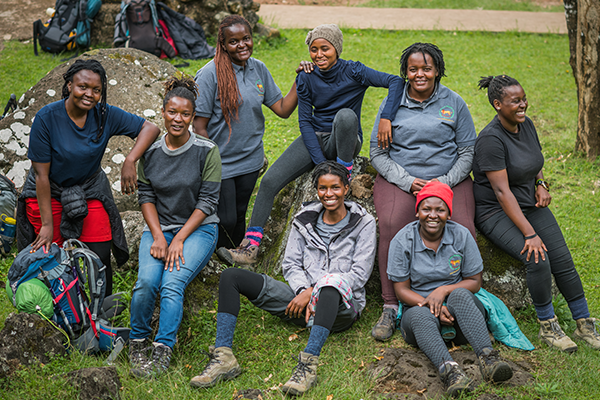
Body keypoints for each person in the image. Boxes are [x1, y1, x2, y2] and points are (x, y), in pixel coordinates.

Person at [216, 23, 403, 266]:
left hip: (345, 139)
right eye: (314, 50)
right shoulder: (306, 77)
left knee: (346, 116)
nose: (319, 54)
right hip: (316, 137)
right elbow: (304, 122)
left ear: (336, 48)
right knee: (269, 181)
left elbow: (396, 82)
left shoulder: (354, 71)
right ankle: (250, 247)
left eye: (325, 48)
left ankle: (343, 173)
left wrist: (386, 118)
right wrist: (321, 165)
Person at [190, 161, 376, 396]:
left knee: (330, 286)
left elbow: (359, 274)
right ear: (316, 190)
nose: (329, 194)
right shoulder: (303, 220)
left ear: (346, 189)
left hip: (340, 307)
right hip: (299, 302)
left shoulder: (363, 222)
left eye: (335, 188)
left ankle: (308, 366)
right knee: (231, 276)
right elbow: (290, 264)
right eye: (323, 188)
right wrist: (301, 292)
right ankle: (223, 357)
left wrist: (313, 292)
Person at [473, 75, 600, 352]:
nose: (523, 105)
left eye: (524, 98)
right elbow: (502, 192)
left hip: (529, 202)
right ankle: (548, 326)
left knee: (562, 256)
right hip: (495, 211)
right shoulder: (490, 140)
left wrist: (541, 183)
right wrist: (529, 233)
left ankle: (584, 322)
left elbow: (534, 159)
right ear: (497, 104)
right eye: (515, 101)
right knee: (538, 257)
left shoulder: (525, 124)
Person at [17, 59, 160, 296]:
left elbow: (150, 129)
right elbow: (41, 175)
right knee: (58, 253)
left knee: (100, 250)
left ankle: (103, 309)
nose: (89, 94)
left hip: (88, 188)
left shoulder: (104, 115)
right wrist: (47, 225)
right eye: (83, 86)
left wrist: (130, 159)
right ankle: (64, 308)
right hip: (47, 190)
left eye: (96, 90)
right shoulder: (47, 118)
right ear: (70, 85)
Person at [369, 42, 477, 342]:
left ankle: (459, 300)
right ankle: (391, 304)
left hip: (449, 180)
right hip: (402, 179)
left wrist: (444, 181)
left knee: (464, 226)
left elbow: (468, 149)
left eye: (426, 68)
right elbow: (377, 153)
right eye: (413, 69)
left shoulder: (454, 102)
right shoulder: (392, 104)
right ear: (405, 72)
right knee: (392, 224)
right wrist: (406, 181)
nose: (420, 74)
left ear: (437, 71)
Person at [128, 75, 221, 378]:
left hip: (198, 229)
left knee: (171, 283)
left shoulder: (207, 151)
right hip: (159, 228)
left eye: (185, 114)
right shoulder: (151, 152)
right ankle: (138, 340)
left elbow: (208, 202)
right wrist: (158, 235)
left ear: (193, 117)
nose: (177, 119)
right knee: (145, 283)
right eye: (172, 112)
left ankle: (162, 347)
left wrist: (179, 238)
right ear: (163, 111)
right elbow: (146, 195)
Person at [388, 181, 513, 398]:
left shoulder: (461, 235)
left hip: (461, 319)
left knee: (461, 293)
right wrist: (430, 304)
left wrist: (444, 291)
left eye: (440, 209)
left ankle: (489, 359)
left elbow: (474, 281)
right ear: (417, 212)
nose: (433, 215)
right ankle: (451, 372)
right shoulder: (403, 240)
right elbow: (401, 290)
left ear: (449, 213)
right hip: (422, 315)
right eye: (426, 209)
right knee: (418, 314)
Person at [193, 15, 298, 250]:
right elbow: (199, 126)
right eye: (234, 41)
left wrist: (300, 82)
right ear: (223, 45)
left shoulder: (258, 68)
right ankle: (214, 258)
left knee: (240, 214)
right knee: (226, 218)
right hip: (221, 163)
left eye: (246, 38)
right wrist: (210, 162)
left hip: (251, 159)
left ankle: (233, 263)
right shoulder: (209, 74)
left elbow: (282, 109)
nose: (242, 45)